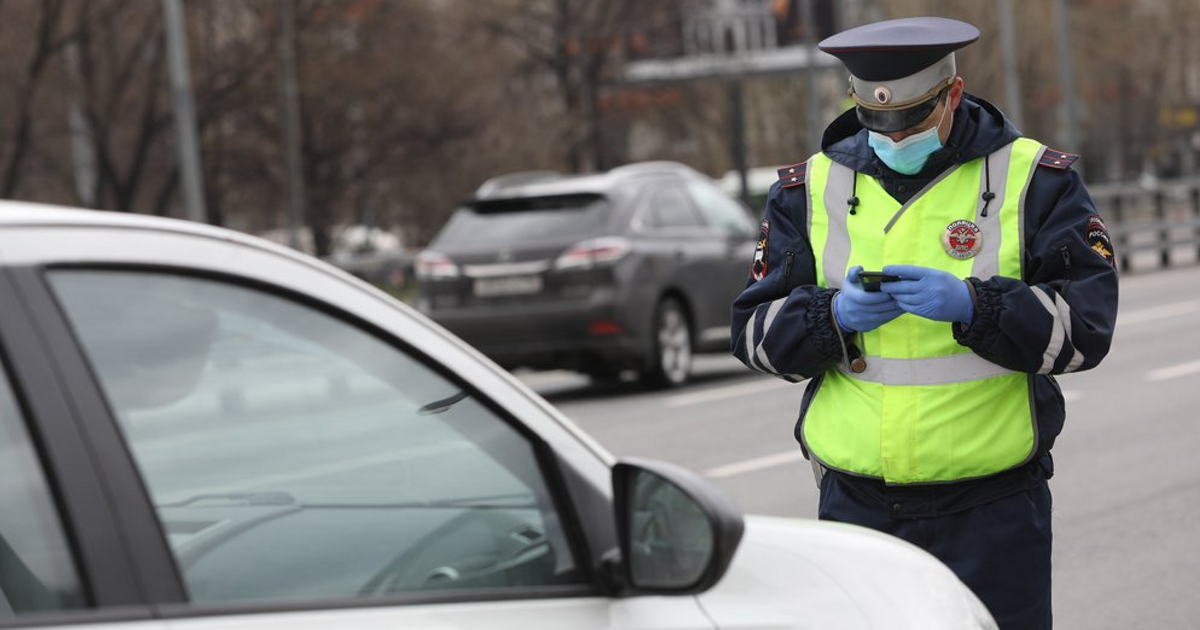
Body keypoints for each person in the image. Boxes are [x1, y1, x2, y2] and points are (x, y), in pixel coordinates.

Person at [730, 16, 1118, 630]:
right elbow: (752, 336)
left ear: (952, 96)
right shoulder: (808, 189)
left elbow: (1085, 331)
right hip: (858, 508)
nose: (893, 132)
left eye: (911, 117)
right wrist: (830, 318)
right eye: (874, 119)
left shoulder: (1036, 180)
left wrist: (979, 306)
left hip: (992, 509)